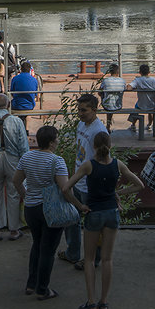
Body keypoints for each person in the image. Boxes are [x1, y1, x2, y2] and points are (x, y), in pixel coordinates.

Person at [65, 131, 144, 309]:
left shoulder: (88, 165)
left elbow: (66, 187)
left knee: (90, 259)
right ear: (110, 145)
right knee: (108, 259)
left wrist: (80, 205)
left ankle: (91, 301)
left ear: (93, 146)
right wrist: (118, 194)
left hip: (94, 212)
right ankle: (104, 301)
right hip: (111, 213)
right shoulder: (118, 164)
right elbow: (139, 185)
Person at [11, 124, 69, 300]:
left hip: (31, 208)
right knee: (48, 250)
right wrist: (77, 205)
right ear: (51, 143)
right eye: (57, 139)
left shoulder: (27, 157)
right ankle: (43, 288)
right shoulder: (57, 161)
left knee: (37, 244)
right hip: (50, 209)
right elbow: (65, 188)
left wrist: (26, 196)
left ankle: (31, 282)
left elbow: (16, 180)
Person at [60, 94, 107, 270]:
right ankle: (72, 253)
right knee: (72, 220)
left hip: (90, 185)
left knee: (93, 225)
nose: (80, 114)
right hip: (78, 181)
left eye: (84, 110)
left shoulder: (99, 132)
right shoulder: (81, 125)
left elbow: (102, 161)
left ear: (94, 110)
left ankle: (94, 259)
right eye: (78, 110)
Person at [0, 94, 29, 242]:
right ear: (8, 105)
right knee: (14, 193)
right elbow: (24, 146)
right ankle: (14, 230)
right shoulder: (16, 121)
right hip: (13, 159)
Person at [128, 64, 155, 132]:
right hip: (153, 105)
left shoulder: (137, 80)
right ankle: (149, 124)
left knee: (135, 108)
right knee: (151, 112)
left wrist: (135, 88)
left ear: (140, 72)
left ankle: (133, 124)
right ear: (149, 72)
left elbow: (129, 87)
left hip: (141, 105)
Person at [99, 64, 126, 132]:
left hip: (107, 105)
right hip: (118, 105)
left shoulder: (105, 80)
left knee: (107, 99)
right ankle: (108, 125)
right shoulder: (122, 81)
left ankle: (108, 126)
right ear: (118, 72)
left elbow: (99, 92)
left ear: (109, 71)